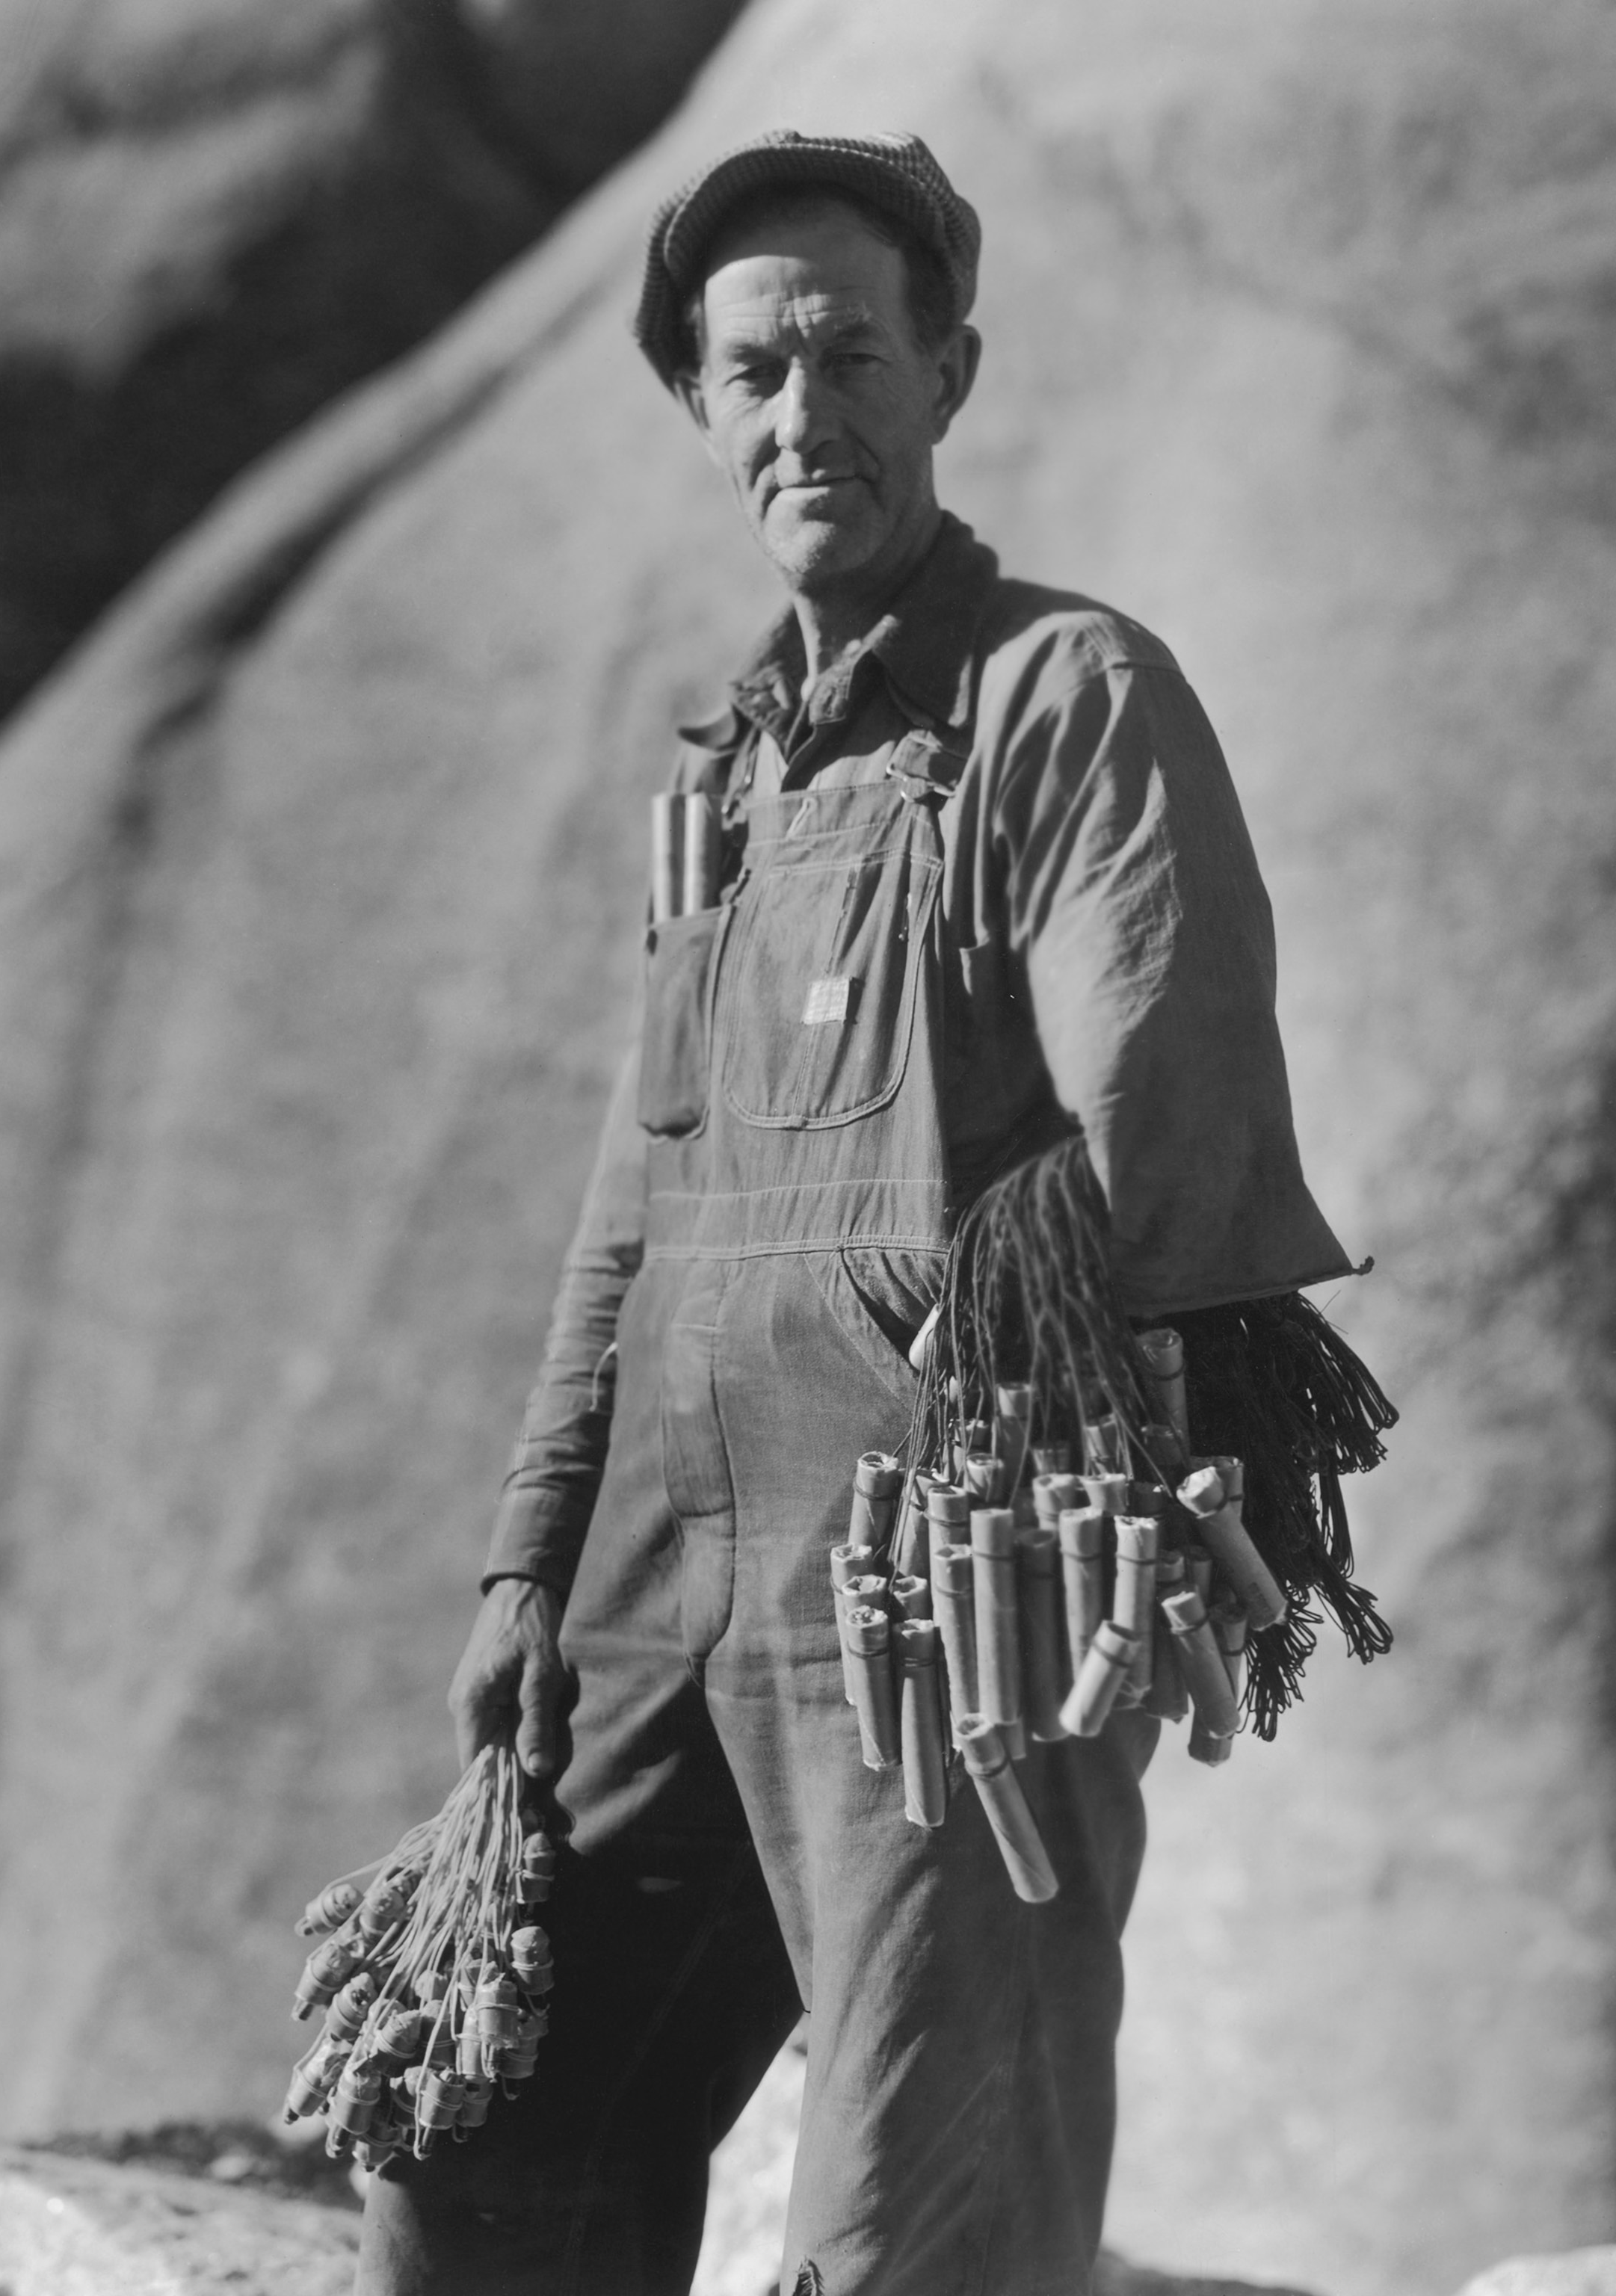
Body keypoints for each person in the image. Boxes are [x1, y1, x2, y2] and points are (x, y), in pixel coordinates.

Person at [357, 129, 1362, 2296]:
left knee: (917, 2235)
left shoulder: (1065, 701)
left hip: (938, 1593)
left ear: (948, 374)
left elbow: (1166, 1124)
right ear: (704, 412)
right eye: (753, 371)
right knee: (477, 2148)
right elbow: (635, 1205)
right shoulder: (728, 783)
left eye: (849, 353)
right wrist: (534, 1557)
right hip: (653, 1593)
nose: (804, 410)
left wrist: (973, 1403)